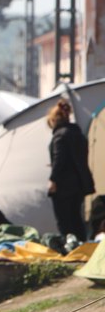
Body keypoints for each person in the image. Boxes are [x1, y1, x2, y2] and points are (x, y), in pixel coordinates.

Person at [47, 98, 95, 241]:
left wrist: (53, 179)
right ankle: (81, 247)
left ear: (54, 120)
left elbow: (59, 158)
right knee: (76, 219)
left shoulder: (59, 136)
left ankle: (70, 249)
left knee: (64, 222)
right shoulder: (78, 134)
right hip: (79, 185)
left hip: (63, 186)